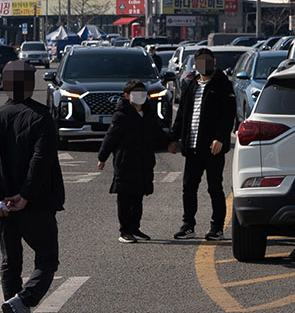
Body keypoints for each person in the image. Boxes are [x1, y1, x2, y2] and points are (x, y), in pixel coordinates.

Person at [0, 59, 65, 313]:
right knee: (47, 258)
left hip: (1, 205)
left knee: (10, 261)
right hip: (34, 203)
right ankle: (22, 303)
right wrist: (25, 196)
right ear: (31, 84)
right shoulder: (41, 117)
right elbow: (41, 160)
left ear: (5, 84)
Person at [169, 46, 239, 241]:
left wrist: (220, 138)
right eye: (201, 62)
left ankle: (217, 227)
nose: (204, 65)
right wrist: (174, 138)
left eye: (208, 61)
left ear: (214, 62)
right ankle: (188, 225)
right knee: (189, 187)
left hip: (212, 147)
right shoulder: (191, 85)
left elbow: (228, 115)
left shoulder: (222, 84)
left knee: (214, 187)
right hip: (192, 145)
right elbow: (181, 113)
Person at [96, 78, 162, 242]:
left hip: (144, 161)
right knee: (125, 197)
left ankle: (135, 228)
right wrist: (102, 157)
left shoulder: (148, 113)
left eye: (143, 93)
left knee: (138, 197)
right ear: (127, 96)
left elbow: (157, 132)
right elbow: (111, 137)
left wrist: (172, 142)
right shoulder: (122, 115)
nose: (140, 97)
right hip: (125, 161)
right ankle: (124, 230)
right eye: (136, 93)